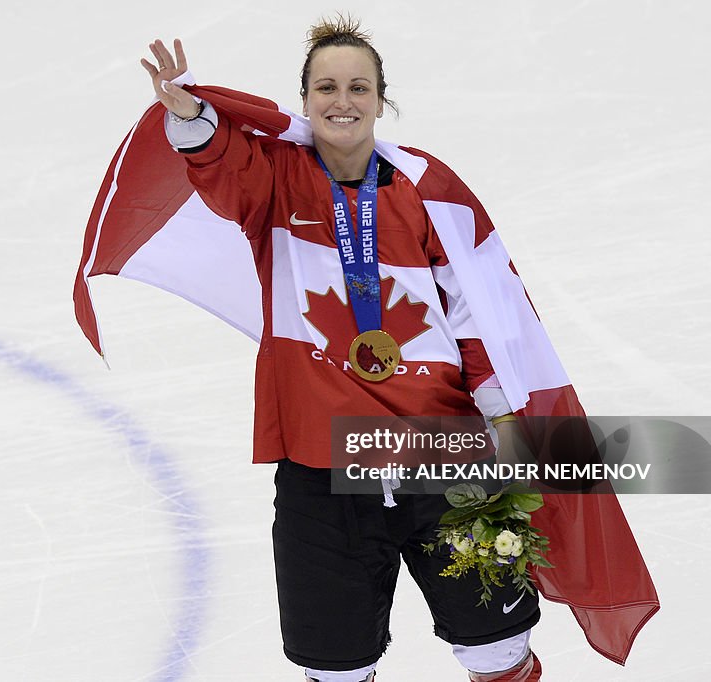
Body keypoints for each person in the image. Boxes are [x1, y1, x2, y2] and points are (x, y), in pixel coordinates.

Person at [139, 17, 543, 681]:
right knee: (334, 667)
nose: (342, 99)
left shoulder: (426, 189)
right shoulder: (274, 181)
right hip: (321, 469)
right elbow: (222, 170)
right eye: (325, 86)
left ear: (382, 99)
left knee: (498, 647)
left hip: (441, 454)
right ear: (304, 100)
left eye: (359, 86)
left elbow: (477, 309)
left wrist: (502, 417)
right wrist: (193, 120)